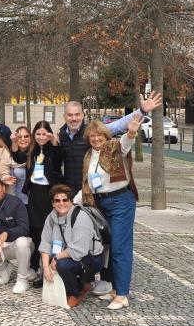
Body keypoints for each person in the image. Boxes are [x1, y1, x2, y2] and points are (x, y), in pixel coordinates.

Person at [74, 114, 142, 310]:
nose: (96, 139)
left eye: (99, 136)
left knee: (121, 248)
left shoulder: (113, 148)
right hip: (102, 204)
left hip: (121, 201)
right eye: (92, 136)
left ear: (105, 136)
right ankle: (113, 288)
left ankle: (122, 295)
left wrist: (131, 132)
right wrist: (71, 202)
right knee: (109, 248)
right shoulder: (89, 156)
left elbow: (125, 143)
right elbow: (88, 185)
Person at [39, 184, 105, 307]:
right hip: (67, 253)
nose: (61, 203)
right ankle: (82, 283)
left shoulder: (81, 217)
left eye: (65, 200)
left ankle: (75, 293)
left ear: (71, 201)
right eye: (57, 200)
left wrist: (56, 258)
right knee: (47, 262)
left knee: (62, 265)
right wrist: (45, 268)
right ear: (53, 203)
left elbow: (79, 250)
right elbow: (45, 243)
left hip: (91, 258)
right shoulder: (51, 217)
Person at [20, 121, 64, 286]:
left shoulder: (53, 150)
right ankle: (35, 266)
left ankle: (53, 266)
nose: (41, 137)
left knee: (52, 231)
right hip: (35, 194)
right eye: (38, 134)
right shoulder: (32, 151)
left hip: (49, 193)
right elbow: (17, 155)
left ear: (50, 134)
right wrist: (15, 142)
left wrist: (53, 142)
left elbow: (60, 157)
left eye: (44, 133)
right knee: (36, 230)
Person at [9, 125, 31, 204]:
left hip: (31, 199)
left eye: (26, 136)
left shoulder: (35, 155)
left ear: (30, 138)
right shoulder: (10, 157)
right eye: (19, 137)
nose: (23, 139)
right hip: (16, 200)